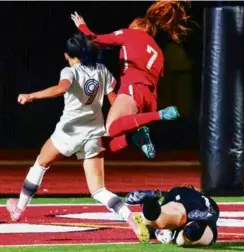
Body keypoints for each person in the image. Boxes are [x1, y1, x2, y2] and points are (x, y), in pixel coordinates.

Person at [6, 33, 150, 243]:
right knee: (98, 189)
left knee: (41, 163)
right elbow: (114, 102)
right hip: (93, 135)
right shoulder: (102, 71)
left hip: (68, 133)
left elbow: (60, 88)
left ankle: (18, 209)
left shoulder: (70, 71)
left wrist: (31, 96)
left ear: (67, 55)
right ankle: (128, 216)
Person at [71, 0, 189, 158]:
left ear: (136, 26)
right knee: (117, 142)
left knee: (112, 127)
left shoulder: (129, 34)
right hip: (150, 98)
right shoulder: (158, 51)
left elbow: (95, 38)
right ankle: (139, 131)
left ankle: (158, 116)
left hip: (134, 89)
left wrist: (81, 25)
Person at [125, 185, 219, 247]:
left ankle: (151, 200)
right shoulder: (204, 198)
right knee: (182, 239)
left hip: (179, 198)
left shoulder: (177, 190)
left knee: (159, 220)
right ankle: (200, 223)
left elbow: (160, 214)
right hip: (204, 207)